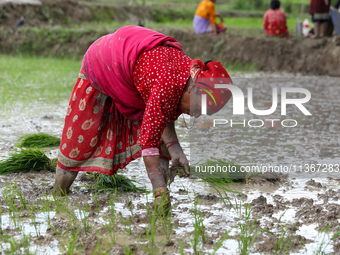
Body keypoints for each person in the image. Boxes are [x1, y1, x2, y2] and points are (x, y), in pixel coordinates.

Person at [54, 26, 233, 212]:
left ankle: (162, 197)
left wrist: (175, 148)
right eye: (198, 108)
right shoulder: (167, 85)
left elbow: (164, 111)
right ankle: (57, 198)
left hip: (133, 69)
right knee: (78, 141)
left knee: (162, 144)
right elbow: (149, 143)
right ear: (193, 89)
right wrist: (159, 192)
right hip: (103, 61)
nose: (195, 114)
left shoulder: (185, 76)